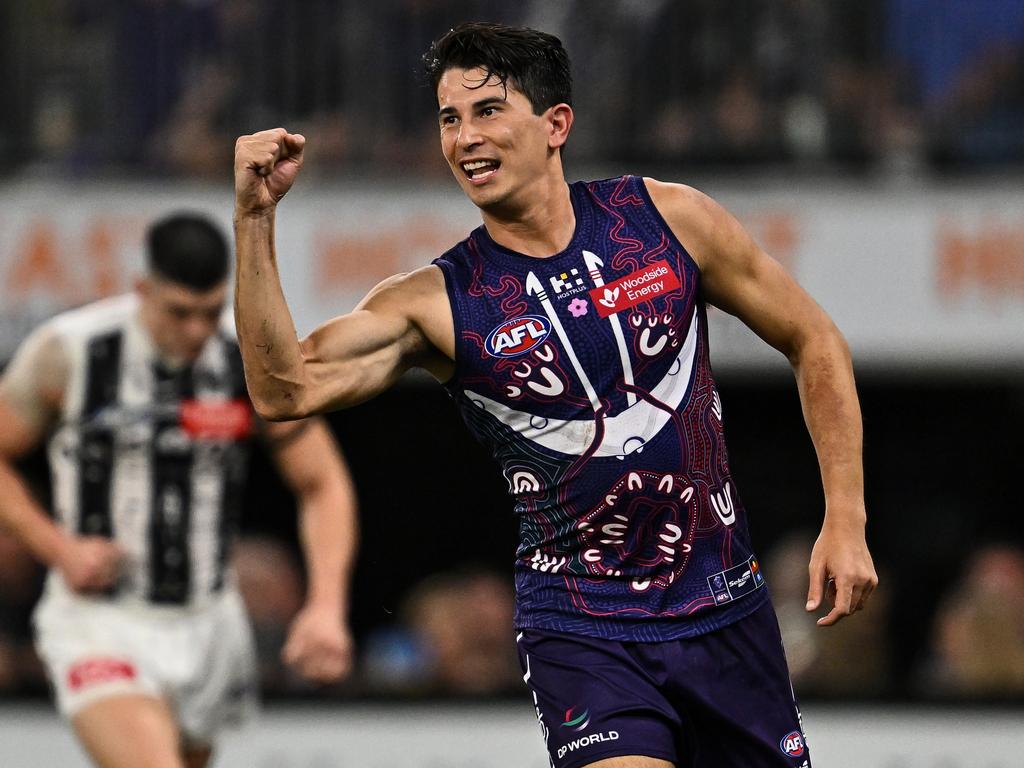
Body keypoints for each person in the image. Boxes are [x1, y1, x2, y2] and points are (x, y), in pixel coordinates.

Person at [233, 22, 877, 768]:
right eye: (449, 118)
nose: (464, 137)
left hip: (724, 610)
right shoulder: (436, 301)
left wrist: (847, 517)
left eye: (487, 111)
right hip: (581, 627)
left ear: (555, 125)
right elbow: (285, 389)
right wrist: (254, 220)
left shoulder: (668, 221)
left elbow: (815, 340)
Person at [0, 213, 359, 768]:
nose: (196, 330)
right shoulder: (70, 351)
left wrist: (327, 605)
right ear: (144, 288)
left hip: (209, 623)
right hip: (99, 619)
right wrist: (58, 548)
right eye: (179, 313)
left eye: (210, 312)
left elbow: (323, 483)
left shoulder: (244, 364)